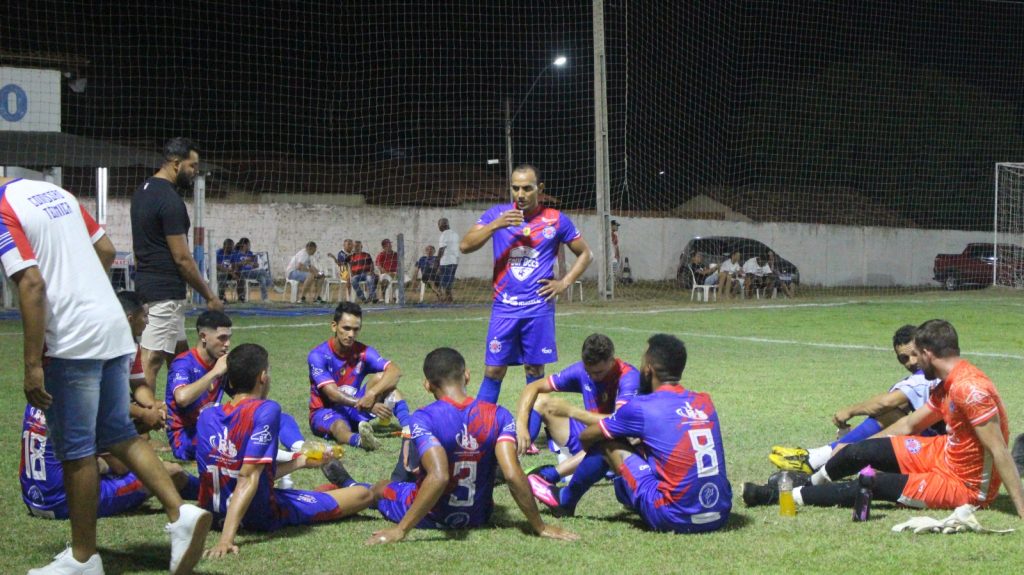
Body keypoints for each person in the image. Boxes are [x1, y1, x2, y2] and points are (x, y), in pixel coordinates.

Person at [1, 176, 210, 575]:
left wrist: (31, 365)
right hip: (114, 326)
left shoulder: (4, 209)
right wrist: (85, 290)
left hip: (72, 339)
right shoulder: (53, 191)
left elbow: (30, 284)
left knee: (76, 450)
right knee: (117, 432)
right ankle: (180, 512)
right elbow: (107, 249)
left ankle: (83, 558)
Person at [743, 320, 1024, 519]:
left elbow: (999, 450)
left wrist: (1021, 508)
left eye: (915, 355)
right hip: (944, 454)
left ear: (927, 353)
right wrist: (851, 449)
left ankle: (779, 497)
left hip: (966, 485)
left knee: (871, 484)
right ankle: (808, 483)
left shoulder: (970, 389)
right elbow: (910, 425)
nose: (913, 363)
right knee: (860, 451)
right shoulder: (948, 383)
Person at [365, 347, 579, 544]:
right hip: (479, 516)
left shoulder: (423, 417)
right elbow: (513, 475)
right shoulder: (499, 415)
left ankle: (348, 484)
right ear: (466, 375)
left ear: (427, 385)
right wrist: (540, 527)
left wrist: (401, 530)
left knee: (381, 487)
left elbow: (438, 477)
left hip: (432, 517)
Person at [198, 343, 376, 558]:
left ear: (232, 380)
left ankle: (323, 491)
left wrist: (301, 462)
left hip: (214, 512)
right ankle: (345, 484)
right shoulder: (265, 410)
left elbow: (237, 470)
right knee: (364, 494)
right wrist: (226, 539)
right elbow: (247, 476)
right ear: (262, 377)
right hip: (259, 515)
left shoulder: (207, 416)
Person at [459, 163, 593, 405]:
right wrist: (495, 225)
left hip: (538, 309)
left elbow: (586, 254)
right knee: (493, 371)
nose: (520, 194)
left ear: (539, 189)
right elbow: (465, 246)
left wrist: (564, 283)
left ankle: (528, 438)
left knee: (534, 372)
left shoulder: (555, 220)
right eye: (515, 188)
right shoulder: (496, 214)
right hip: (504, 308)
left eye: (527, 188)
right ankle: (480, 432)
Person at [577, 334, 732, 533]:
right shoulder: (705, 402)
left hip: (673, 517)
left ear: (648, 369)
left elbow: (588, 436)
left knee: (609, 444)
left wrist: (586, 442)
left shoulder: (642, 406)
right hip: (719, 513)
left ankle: (565, 500)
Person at [131, 137, 223, 416]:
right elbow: (182, 258)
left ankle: (192, 417)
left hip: (146, 286)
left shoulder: (142, 191)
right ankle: (142, 431)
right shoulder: (170, 200)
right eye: (192, 166)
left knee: (182, 357)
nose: (195, 171)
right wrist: (209, 295)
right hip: (165, 293)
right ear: (175, 163)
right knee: (151, 359)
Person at [770, 325, 942, 473]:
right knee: (895, 415)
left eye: (914, 354)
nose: (911, 362)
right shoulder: (928, 375)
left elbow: (886, 402)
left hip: (944, 454)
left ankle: (823, 458)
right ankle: (826, 455)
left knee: (892, 411)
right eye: (903, 358)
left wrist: (850, 411)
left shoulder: (926, 378)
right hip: (936, 444)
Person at [516, 334, 640, 516]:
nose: (593, 377)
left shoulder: (628, 377)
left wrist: (572, 412)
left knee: (608, 437)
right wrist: (521, 424)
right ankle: (510, 462)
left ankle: (550, 476)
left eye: (599, 372)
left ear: (612, 361)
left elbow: (619, 424)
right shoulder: (583, 370)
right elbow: (533, 387)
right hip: (587, 437)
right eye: (589, 372)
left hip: (613, 445)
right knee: (541, 401)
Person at [20, 405, 199, 520]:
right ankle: (212, 493)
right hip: (63, 502)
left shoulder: (38, 400)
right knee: (168, 471)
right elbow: (120, 467)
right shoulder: (79, 407)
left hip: (34, 499)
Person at [307, 301, 407, 451]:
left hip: (355, 408)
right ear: (334, 326)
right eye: (346, 328)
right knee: (339, 426)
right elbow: (332, 394)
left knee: (384, 380)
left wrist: (372, 394)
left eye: (355, 329)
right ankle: (360, 441)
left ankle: (409, 426)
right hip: (325, 412)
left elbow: (395, 371)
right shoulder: (318, 355)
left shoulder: (364, 352)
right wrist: (367, 405)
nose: (351, 335)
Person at [117, 291, 165, 435]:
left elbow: (138, 385)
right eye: (145, 316)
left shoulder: (132, 344)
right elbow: (105, 399)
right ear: (130, 319)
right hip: (96, 408)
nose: (148, 321)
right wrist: (143, 413)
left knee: (162, 409)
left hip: (113, 404)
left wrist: (153, 406)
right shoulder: (107, 349)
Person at [232, 237, 272, 302]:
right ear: (244, 245)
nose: (249, 246)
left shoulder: (250, 253)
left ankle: (265, 299)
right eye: (249, 245)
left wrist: (252, 263)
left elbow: (256, 265)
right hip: (242, 273)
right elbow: (235, 265)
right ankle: (272, 285)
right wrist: (246, 262)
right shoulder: (236, 254)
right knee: (262, 271)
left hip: (251, 272)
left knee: (262, 278)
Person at [436, 217, 460, 303]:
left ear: (442, 225)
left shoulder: (444, 235)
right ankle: (449, 299)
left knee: (445, 282)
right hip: (454, 261)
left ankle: (447, 299)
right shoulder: (455, 234)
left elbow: (442, 249)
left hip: (446, 261)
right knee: (449, 281)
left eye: (438, 225)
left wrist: (437, 261)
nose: (438, 227)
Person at [214, 238, 237, 304]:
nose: (233, 248)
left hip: (228, 273)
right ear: (226, 246)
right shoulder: (219, 253)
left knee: (241, 275)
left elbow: (234, 265)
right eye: (231, 246)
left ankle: (242, 297)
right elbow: (218, 267)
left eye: (233, 246)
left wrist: (234, 271)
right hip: (217, 273)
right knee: (222, 275)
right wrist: (230, 272)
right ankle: (221, 297)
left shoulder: (232, 254)